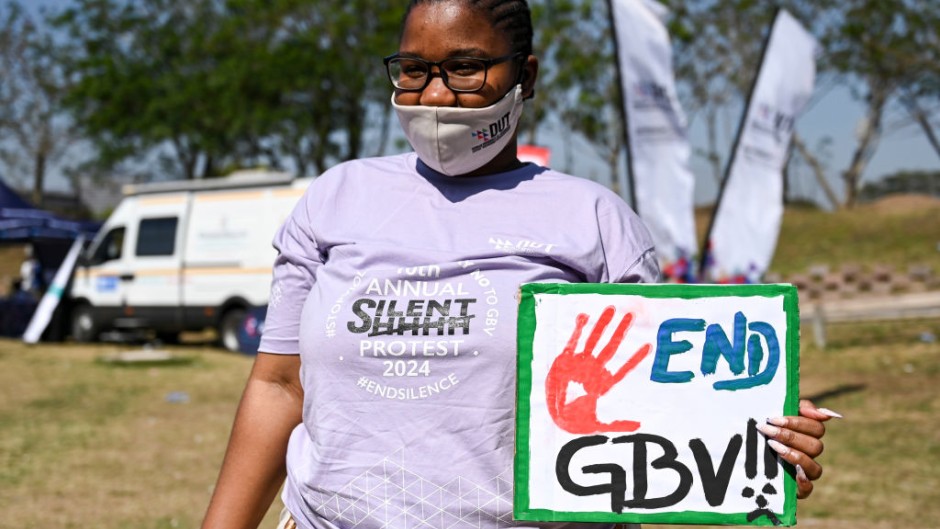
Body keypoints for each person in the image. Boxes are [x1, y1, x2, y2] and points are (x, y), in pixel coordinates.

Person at [201, 1, 837, 528]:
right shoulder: (335, 199)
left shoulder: (594, 222)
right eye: (414, 69)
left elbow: (667, 409)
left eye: (467, 67)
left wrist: (762, 441)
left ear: (525, 76)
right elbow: (280, 385)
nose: (438, 93)